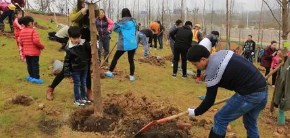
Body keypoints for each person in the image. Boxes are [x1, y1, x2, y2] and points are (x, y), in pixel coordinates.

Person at [187, 46, 267, 138]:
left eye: (195, 64)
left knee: (220, 118)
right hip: (262, 89)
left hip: (250, 94)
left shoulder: (212, 69)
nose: (195, 67)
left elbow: (209, 100)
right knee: (250, 122)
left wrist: (195, 112)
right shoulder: (221, 53)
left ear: (203, 59)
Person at [46, 0, 97, 100]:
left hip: (86, 43)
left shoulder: (93, 8)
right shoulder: (76, 9)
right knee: (66, 69)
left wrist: (94, 7)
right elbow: (73, 17)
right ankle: (51, 88)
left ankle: (89, 91)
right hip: (75, 41)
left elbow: (97, 17)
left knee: (86, 70)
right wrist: (83, 11)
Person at [104, 8, 137, 81]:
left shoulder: (121, 21)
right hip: (132, 42)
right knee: (131, 60)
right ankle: (132, 76)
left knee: (116, 57)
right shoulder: (134, 21)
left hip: (124, 43)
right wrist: (120, 30)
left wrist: (118, 28)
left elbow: (112, 28)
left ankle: (110, 72)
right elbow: (135, 29)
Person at [64, 26, 91, 106]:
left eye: (78, 38)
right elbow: (67, 61)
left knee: (83, 82)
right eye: (74, 38)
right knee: (77, 83)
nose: (77, 40)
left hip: (84, 67)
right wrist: (66, 72)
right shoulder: (69, 48)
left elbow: (89, 53)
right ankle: (77, 99)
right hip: (75, 70)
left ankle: (83, 97)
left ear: (81, 36)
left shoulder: (84, 43)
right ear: (69, 37)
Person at [19, 16, 45, 84]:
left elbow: (21, 42)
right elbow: (36, 41)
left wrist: (24, 47)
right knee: (35, 65)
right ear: (30, 23)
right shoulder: (33, 31)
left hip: (26, 52)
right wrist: (42, 46)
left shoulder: (22, 31)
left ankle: (31, 76)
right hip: (34, 52)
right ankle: (36, 78)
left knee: (29, 65)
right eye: (32, 22)